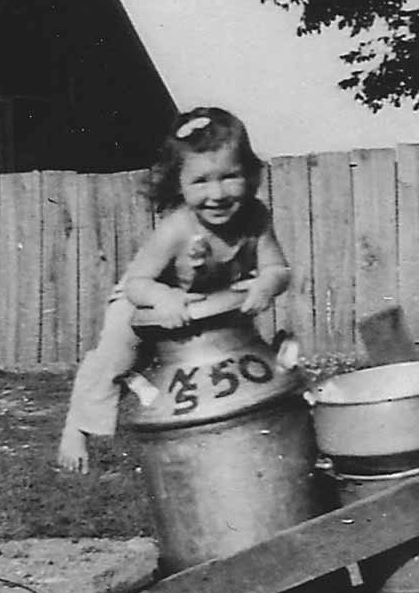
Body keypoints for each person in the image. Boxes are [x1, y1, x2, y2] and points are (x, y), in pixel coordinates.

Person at [57, 107, 290, 473]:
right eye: (201, 181)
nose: (217, 194)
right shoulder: (176, 229)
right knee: (116, 355)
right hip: (145, 299)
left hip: (203, 300)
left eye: (230, 177)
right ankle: (79, 427)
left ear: (251, 174)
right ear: (178, 184)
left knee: (225, 357)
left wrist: (267, 282)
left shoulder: (256, 218)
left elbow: (278, 267)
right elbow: (137, 283)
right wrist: (163, 298)